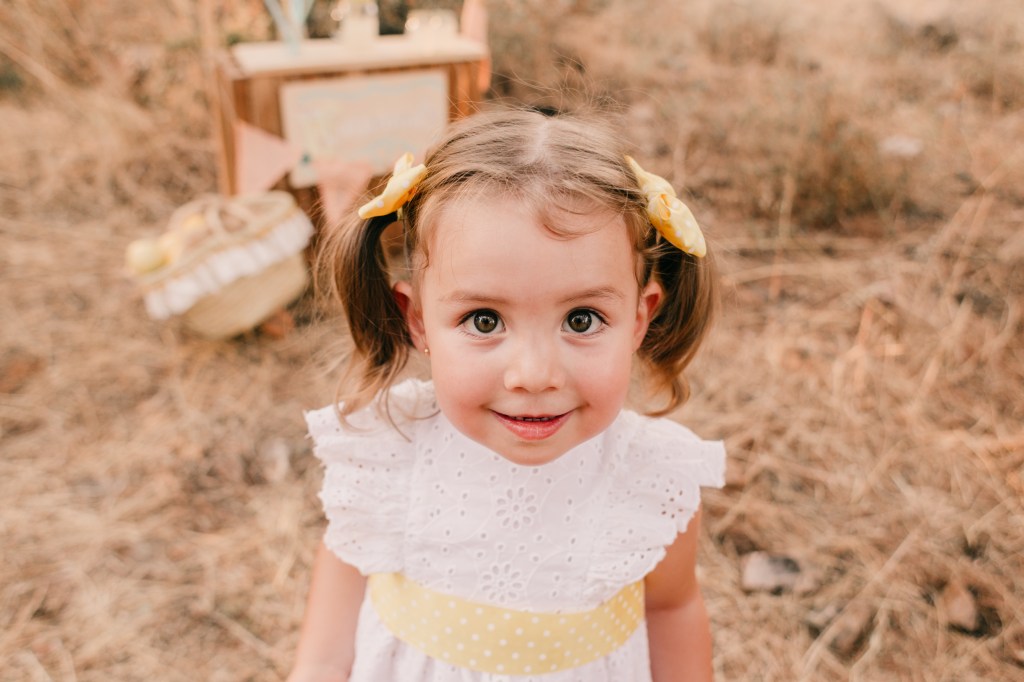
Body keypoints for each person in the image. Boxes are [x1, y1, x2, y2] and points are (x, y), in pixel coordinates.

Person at [288, 108, 726, 682]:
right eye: (485, 320)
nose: (535, 375)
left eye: (582, 319)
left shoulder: (649, 480)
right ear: (417, 321)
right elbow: (326, 646)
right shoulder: (386, 454)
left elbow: (671, 608)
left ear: (639, 319)